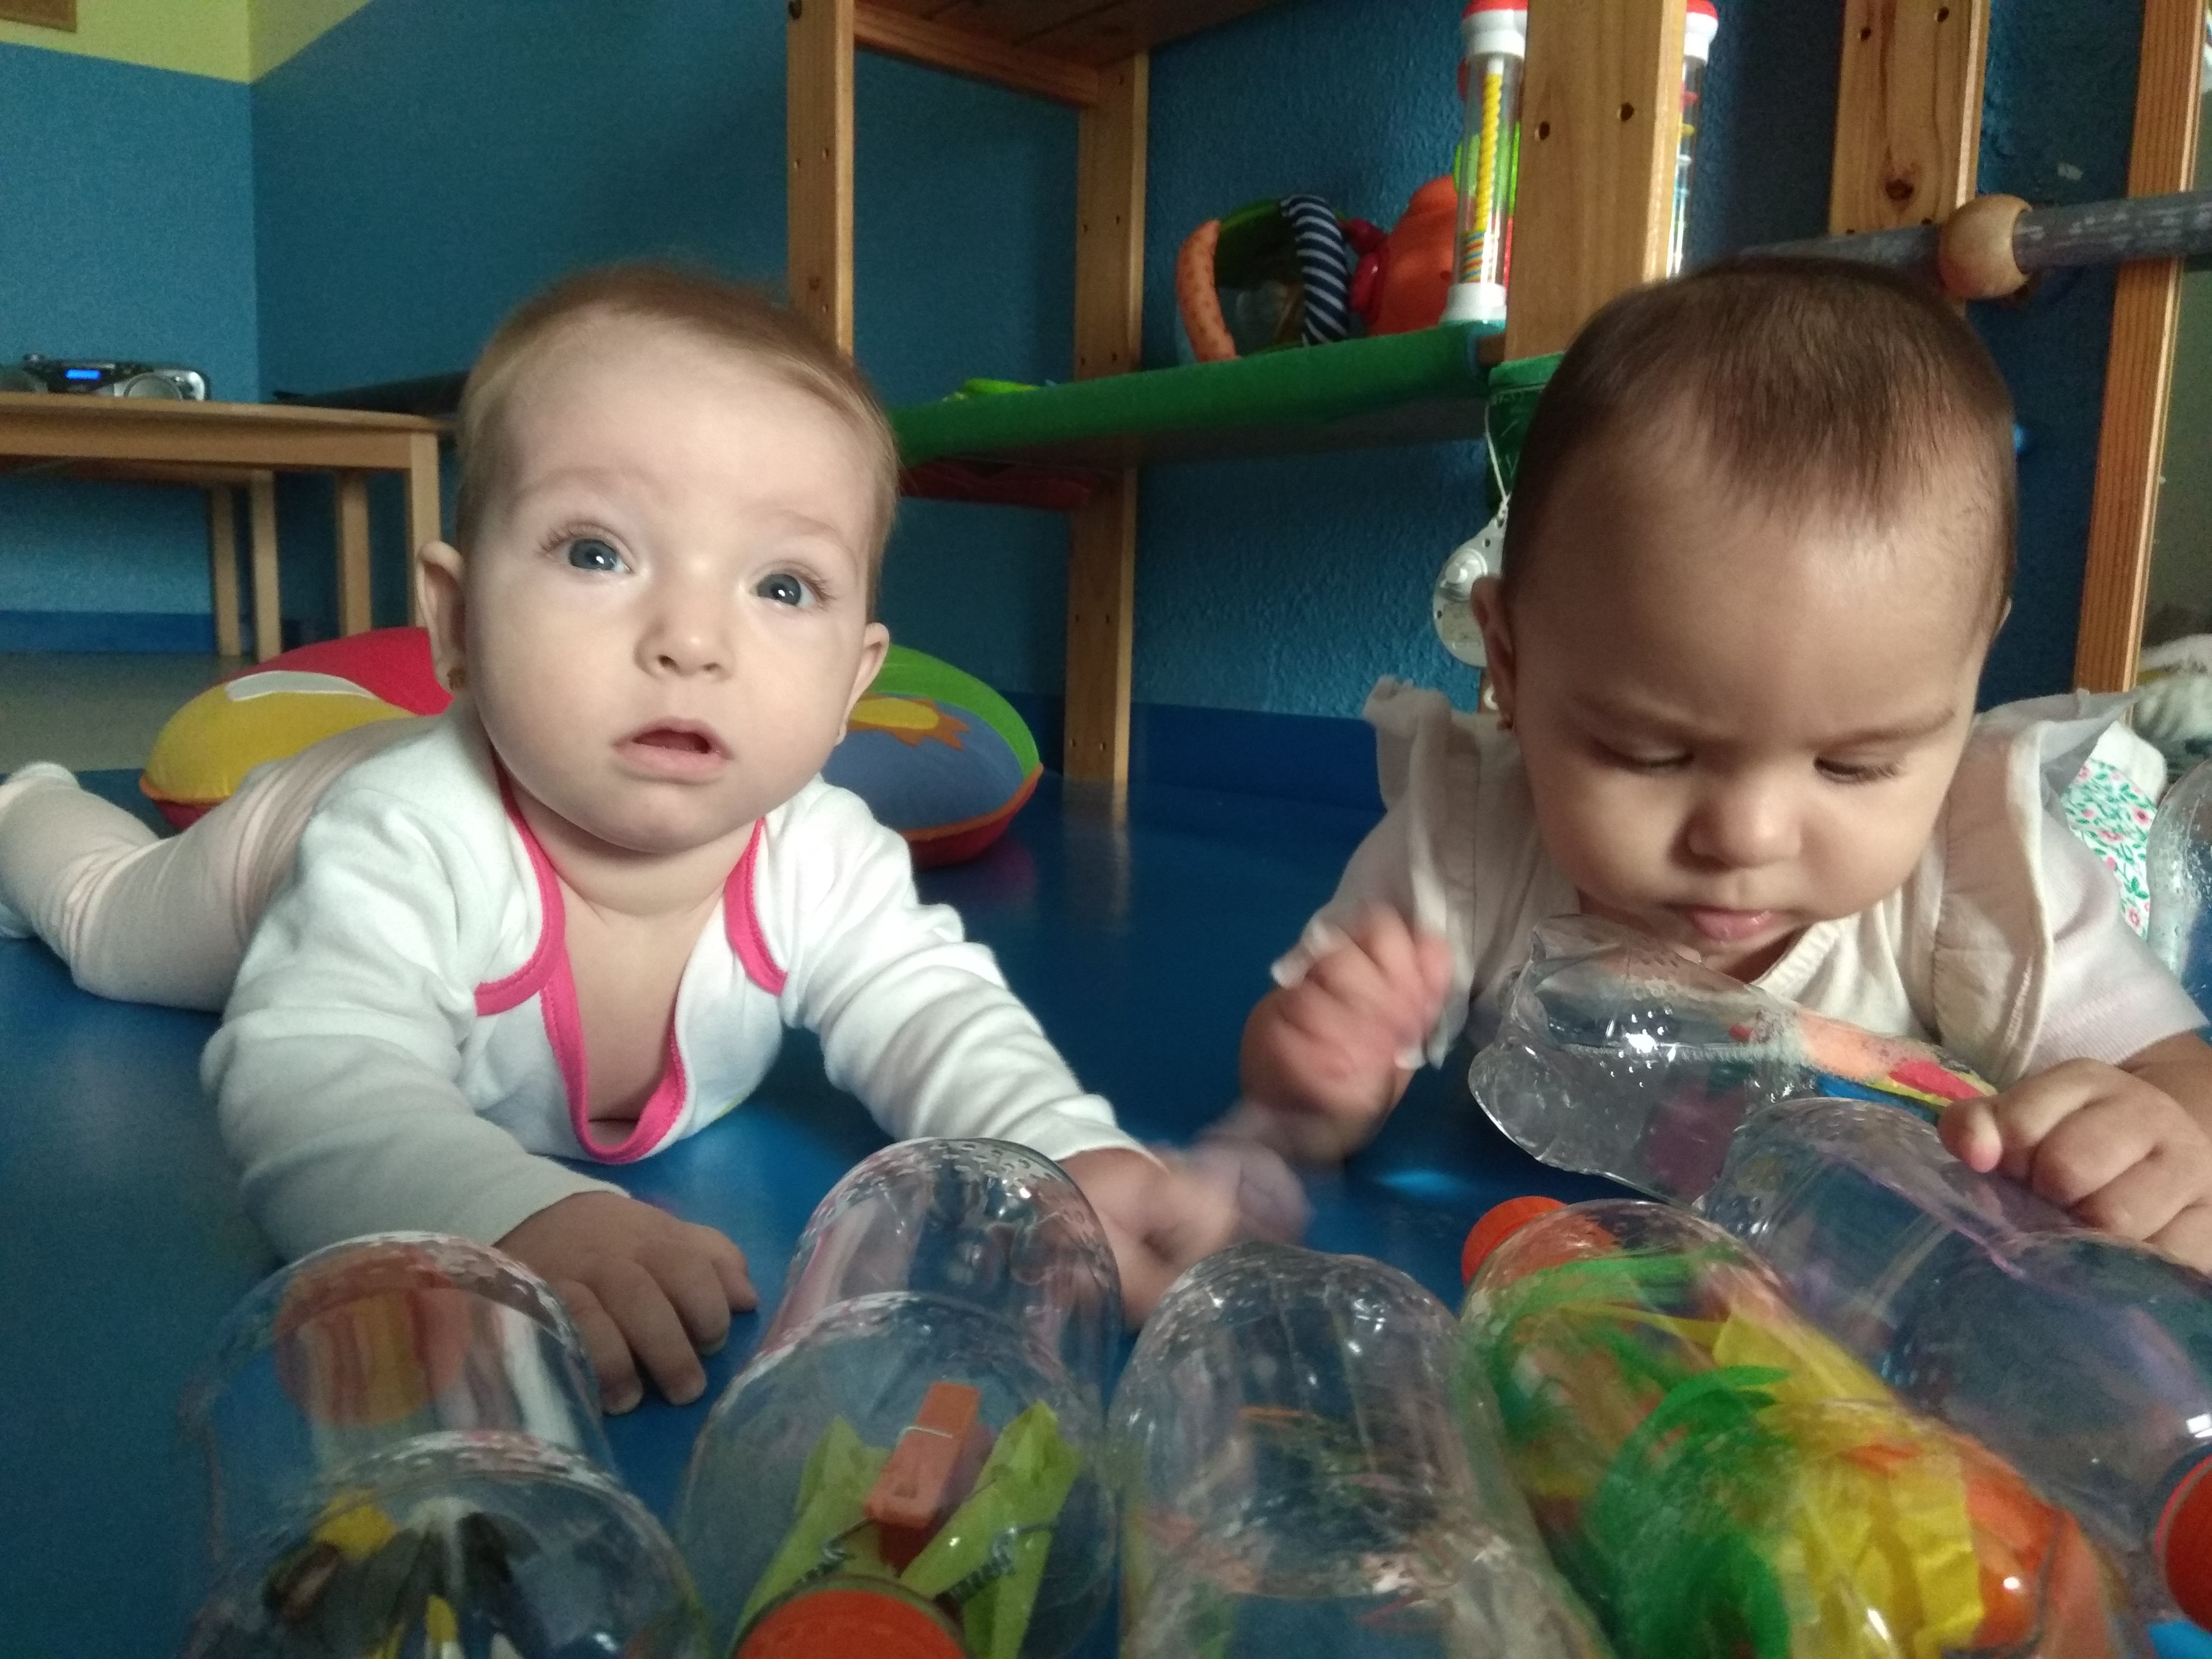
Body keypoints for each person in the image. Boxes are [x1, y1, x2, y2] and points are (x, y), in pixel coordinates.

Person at [0, 264, 1242, 1408]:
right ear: (457, 623)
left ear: (856, 681)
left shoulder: (820, 853)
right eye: (596, 553)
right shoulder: (413, 831)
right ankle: (24, 805)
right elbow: (309, 1073)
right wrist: (503, 1213)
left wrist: (1066, 1149)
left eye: (783, 586)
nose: (691, 640)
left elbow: (934, 1008)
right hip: (286, 838)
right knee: (108, 929)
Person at [1229, 256, 2212, 1270]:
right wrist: (1320, 1073)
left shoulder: (1983, 871)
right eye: (1650, 752)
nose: (1746, 837)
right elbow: (1301, 1095)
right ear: (1511, 664)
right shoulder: (1468, 839)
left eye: (1855, 766)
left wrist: (2157, 1143)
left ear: (1968, 678)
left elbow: (2178, 1078)